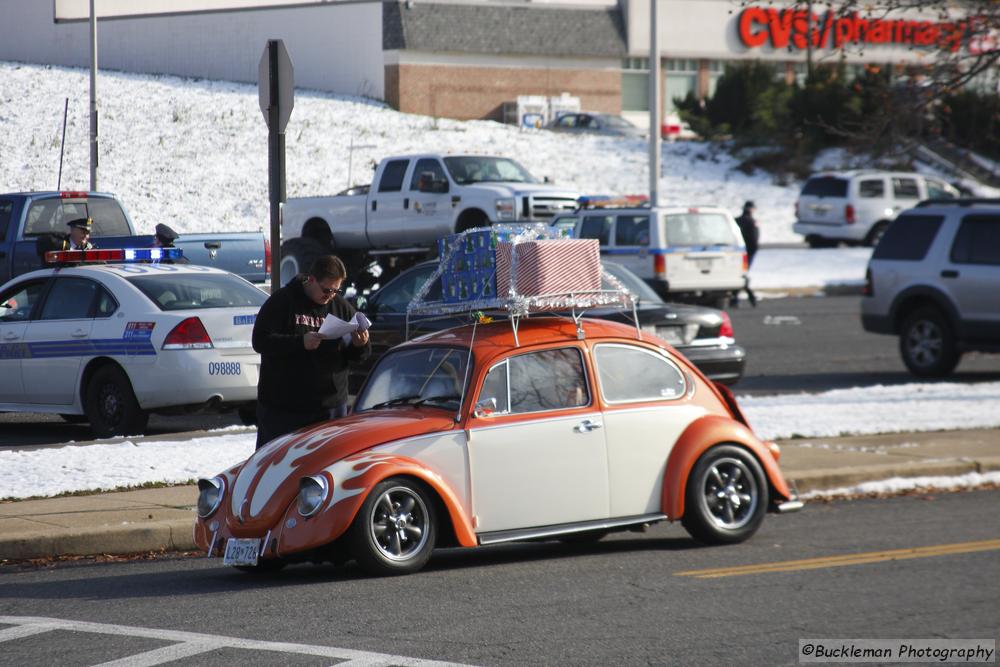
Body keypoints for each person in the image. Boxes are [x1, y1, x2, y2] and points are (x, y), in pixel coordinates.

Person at [251, 255, 371, 449]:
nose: (330, 295)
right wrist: (300, 342)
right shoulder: (283, 301)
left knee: (325, 468)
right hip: (284, 409)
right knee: (277, 467)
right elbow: (260, 341)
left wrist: (360, 345)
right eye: (326, 290)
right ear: (311, 279)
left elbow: (358, 356)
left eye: (336, 290)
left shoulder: (340, 307)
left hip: (329, 407)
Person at [734, 200, 759, 307]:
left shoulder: (736, 220)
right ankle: (748, 296)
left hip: (736, 252)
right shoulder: (751, 221)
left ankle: (736, 298)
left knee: (739, 275)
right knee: (742, 275)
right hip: (747, 252)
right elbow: (753, 240)